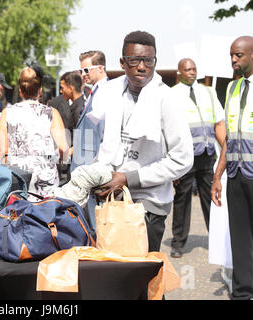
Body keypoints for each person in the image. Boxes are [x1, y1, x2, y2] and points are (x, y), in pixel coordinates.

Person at [94, 31, 194, 252]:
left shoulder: (166, 99)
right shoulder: (112, 94)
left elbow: (183, 159)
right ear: (123, 62)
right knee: (115, 272)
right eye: (135, 60)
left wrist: (129, 178)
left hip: (149, 204)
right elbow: (103, 144)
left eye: (148, 61)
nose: (142, 67)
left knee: (143, 276)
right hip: (114, 199)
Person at [169, 58, 226, 258]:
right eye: (187, 69)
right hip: (185, 157)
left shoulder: (208, 92)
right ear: (179, 73)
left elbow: (219, 121)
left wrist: (225, 146)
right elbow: (167, 129)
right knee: (182, 199)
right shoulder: (172, 94)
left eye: (194, 69)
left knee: (211, 197)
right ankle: (178, 242)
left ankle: (217, 240)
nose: (192, 72)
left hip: (207, 154)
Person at [211, 35, 253, 300]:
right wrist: (218, 176)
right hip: (236, 175)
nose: (234, 60)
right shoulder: (232, 89)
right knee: (239, 238)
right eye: (232, 55)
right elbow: (228, 139)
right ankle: (242, 292)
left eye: (239, 55)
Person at [0, 66, 69, 197]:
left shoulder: (7, 113)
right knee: (46, 214)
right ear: (40, 91)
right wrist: (60, 164)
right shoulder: (51, 113)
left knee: (19, 214)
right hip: (45, 177)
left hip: (18, 176)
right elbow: (63, 148)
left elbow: (2, 152)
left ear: (20, 91)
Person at [72, 50, 109, 232]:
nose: (83, 75)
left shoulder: (106, 91)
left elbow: (103, 130)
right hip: (85, 161)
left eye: (86, 70)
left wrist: (97, 162)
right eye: (81, 71)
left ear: (100, 68)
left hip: (92, 162)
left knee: (97, 220)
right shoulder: (95, 91)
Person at [49, 75, 73, 186]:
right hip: (62, 156)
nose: (61, 90)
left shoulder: (82, 103)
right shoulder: (57, 103)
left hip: (69, 155)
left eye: (63, 87)